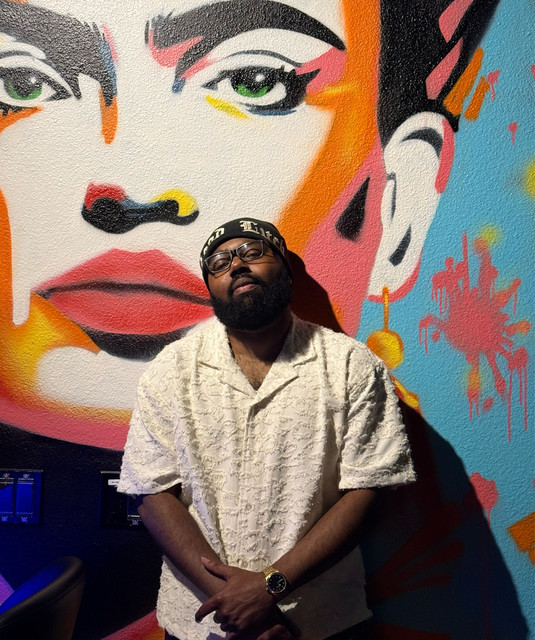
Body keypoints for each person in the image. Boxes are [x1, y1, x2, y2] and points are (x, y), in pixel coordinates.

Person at [0, 0, 499, 447]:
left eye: (256, 81)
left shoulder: (354, 396)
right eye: (23, 83)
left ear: (400, 200)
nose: (131, 191)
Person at [118, 218, 416, 640]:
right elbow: (151, 493)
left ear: (286, 271)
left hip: (318, 620)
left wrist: (269, 588)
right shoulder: (171, 369)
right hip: (202, 620)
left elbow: (369, 490)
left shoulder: (350, 365)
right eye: (219, 262)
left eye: (253, 252)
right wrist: (235, 602)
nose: (236, 265)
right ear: (210, 287)